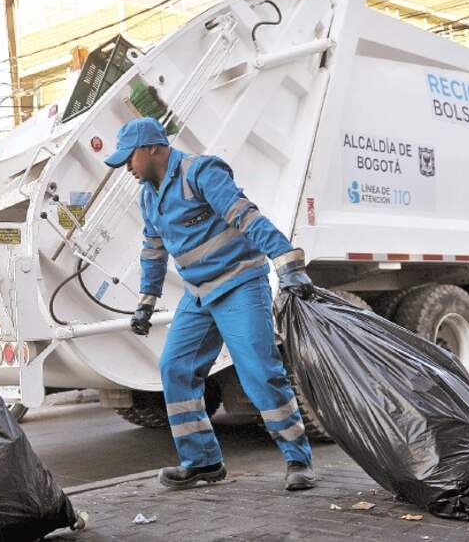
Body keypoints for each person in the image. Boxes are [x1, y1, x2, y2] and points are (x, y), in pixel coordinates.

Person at [103, 117, 317, 491]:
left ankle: (298, 459)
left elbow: (245, 215)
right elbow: (153, 250)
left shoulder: (200, 171)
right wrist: (146, 301)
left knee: (259, 373)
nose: (127, 169)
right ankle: (202, 462)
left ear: (153, 148)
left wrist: (287, 262)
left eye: (129, 159)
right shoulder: (149, 195)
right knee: (175, 368)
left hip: (239, 284)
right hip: (198, 294)